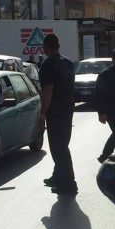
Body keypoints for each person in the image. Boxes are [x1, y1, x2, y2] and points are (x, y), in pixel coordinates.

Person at [38, 34, 77, 195]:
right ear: (59, 45)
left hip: (55, 111)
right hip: (68, 108)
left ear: (45, 48)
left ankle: (69, 183)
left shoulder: (48, 65)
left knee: (59, 148)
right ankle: (57, 176)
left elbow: (48, 91)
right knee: (62, 144)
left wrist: (41, 116)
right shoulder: (68, 63)